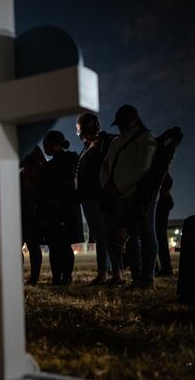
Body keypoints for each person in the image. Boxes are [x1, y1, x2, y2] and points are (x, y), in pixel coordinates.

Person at [100, 104, 157, 289]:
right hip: (119, 196)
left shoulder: (145, 137)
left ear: (133, 119)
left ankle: (146, 279)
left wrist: (118, 186)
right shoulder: (116, 141)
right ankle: (136, 279)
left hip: (137, 195)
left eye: (122, 122)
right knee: (132, 238)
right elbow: (106, 165)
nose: (120, 126)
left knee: (146, 235)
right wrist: (107, 185)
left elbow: (142, 167)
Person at [75, 113, 116, 285]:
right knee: (100, 237)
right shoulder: (87, 147)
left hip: (99, 195)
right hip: (87, 197)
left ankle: (116, 273)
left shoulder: (105, 142)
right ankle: (102, 273)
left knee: (108, 235)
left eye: (81, 129)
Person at [39, 131, 84, 285]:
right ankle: (62, 277)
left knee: (59, 246)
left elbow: (67, 185)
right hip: (62, 209)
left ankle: (61, 277)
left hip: (62, 209)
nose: (44, 148)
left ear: (55, 144)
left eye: (46, 145)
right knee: (60, 246)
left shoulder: (66, 161)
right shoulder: (68, 160)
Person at [20, 147, 46, 285]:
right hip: (28, 212)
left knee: (31, 245)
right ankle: (33, 277)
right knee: (32, 246)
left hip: (29, 212)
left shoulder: (33, 171)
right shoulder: (28, 171)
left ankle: (32, 277)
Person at [155, 172, 174, 276]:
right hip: (163, 201)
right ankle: (163, 267)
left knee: (160, 237)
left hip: (162, 202)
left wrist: (163, 193)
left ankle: (166, 268)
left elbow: (168, 180)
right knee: (160, 237)